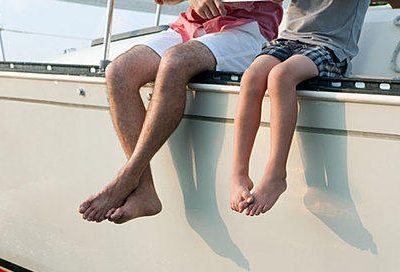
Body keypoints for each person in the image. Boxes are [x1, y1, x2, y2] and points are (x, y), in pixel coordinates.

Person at [78, 0, 283, 224]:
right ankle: (144, 189)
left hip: (246, 31)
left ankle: (127, 176)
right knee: (119, 71)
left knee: (175, 61)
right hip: (190, 27)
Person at [229, 0, 400, 217]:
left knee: (280, 77)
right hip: (288, 40)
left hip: (330, 47)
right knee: (251, 77)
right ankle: (238, 174)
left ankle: (275, 174)